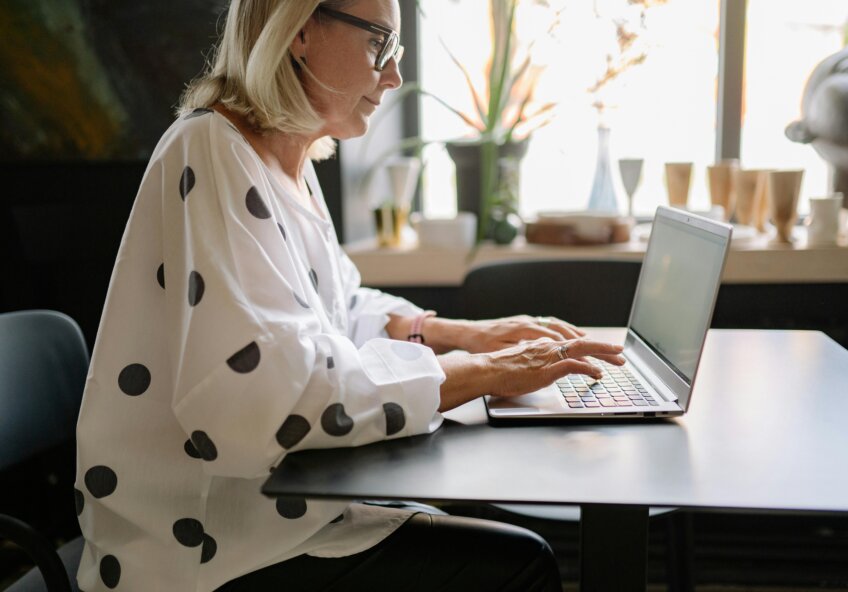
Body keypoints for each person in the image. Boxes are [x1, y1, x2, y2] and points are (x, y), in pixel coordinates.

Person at [74, 0, 625, 590]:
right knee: (521, 565)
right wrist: (478, 371)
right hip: (207, 551)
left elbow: (337, 312)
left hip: (277, 519)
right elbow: (268, 395)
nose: (394, 75)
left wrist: (466, 335)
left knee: (477, 542)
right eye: (379, 44)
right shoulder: (212, 147)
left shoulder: (285, 160)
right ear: (301, 31)